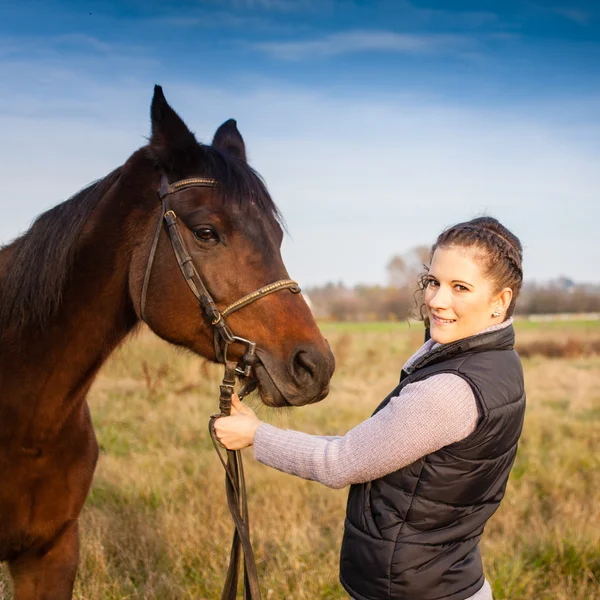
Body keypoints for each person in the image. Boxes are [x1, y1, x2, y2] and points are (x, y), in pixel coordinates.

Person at [214, 216, 525, 600]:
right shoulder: (500, 362)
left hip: (412, 590)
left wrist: (255, 436)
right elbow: (377, 448)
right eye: (434, 282)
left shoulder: (449, 390)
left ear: (500, 300)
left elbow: (341, 461)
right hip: (453, 580)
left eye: (460, 287)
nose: (436, 301)